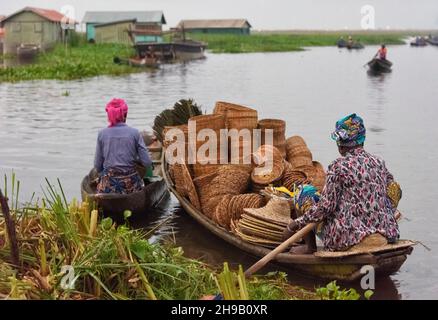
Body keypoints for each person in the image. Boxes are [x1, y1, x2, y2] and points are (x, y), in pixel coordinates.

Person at [283, 114, 401, 252]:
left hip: (347, 237)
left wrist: (295, 224)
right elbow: (395, 190)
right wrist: (386, 213)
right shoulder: (379, 162)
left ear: (341, 144)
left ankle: (310, 247)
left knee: (303, 192)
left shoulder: (339, 166)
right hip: (385, 231)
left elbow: (326, 207)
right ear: (362, 140)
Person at [94, 98, 152, 194]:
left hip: (108, 186)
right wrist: (136, 159)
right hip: (131, 186)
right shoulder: (135, 133)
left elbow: (97, 165)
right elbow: (147, 162)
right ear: (125, 115)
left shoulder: (102, 134)